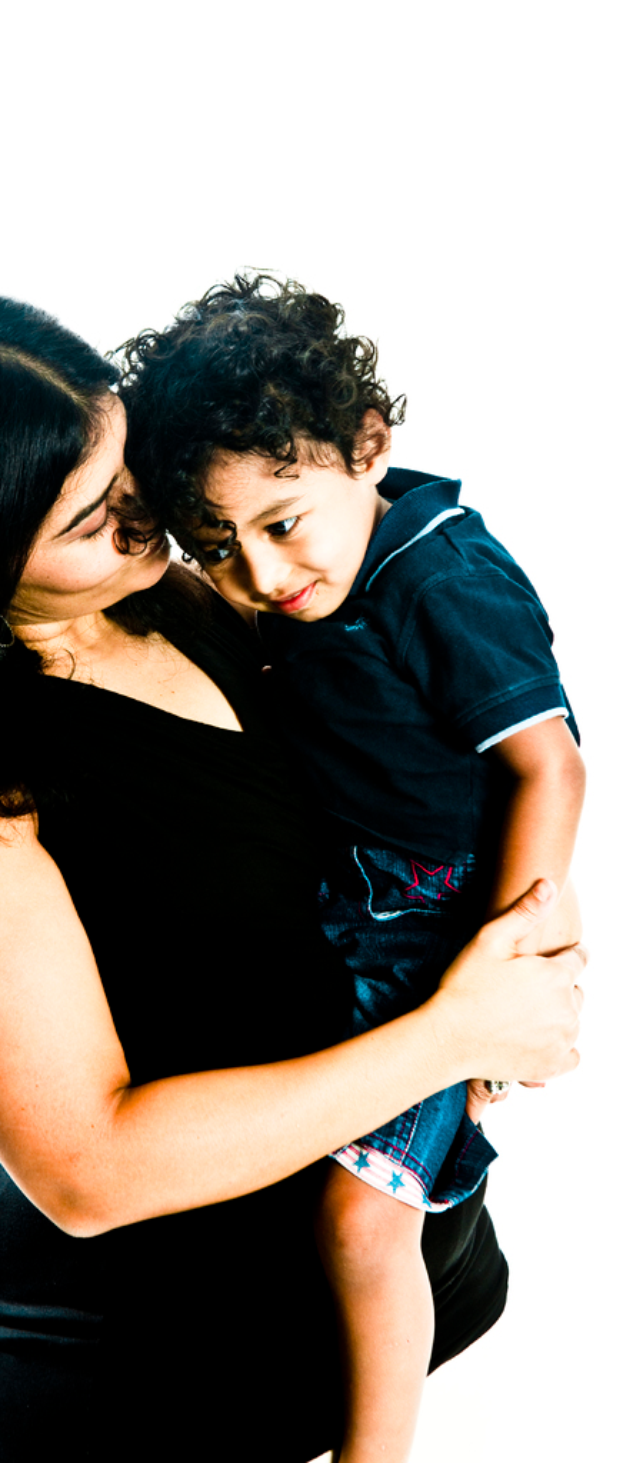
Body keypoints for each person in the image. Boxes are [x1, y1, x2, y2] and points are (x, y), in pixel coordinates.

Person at [0, 296, 584, 1463]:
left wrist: (524, 941)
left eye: (129, 469)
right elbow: (87, 1173)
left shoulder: (195, 594)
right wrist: (459, 1029)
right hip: (154, 1376)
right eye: (91, 516)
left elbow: (435, 780)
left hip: (404, 1277)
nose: (148, 518)